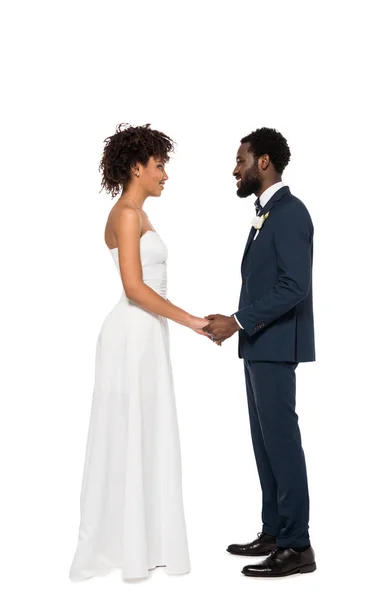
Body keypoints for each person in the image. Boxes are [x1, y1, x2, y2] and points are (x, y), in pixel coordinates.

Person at [69, 123, 209, 581]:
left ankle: (144, 543)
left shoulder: (141, 213)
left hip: (149, 334)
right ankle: (121, 547)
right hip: (131, 334)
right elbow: (133, 287)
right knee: (129, 433)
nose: (165, 174)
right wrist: (190, 320)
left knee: (148, 432)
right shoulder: (127, 214)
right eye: (160, 165)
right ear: (137, 167)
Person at [203, 127, 316, 578]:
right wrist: (239, 323)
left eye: (241, 160)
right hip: (258, 346)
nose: (236, 168)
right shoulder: (266, 213)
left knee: (282, 443)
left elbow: (295, 286)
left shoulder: (290, 213)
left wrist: (238, 321)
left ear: (263, 162)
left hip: (274, 344)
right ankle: (273, 531)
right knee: (264, 443)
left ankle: (297, 544)